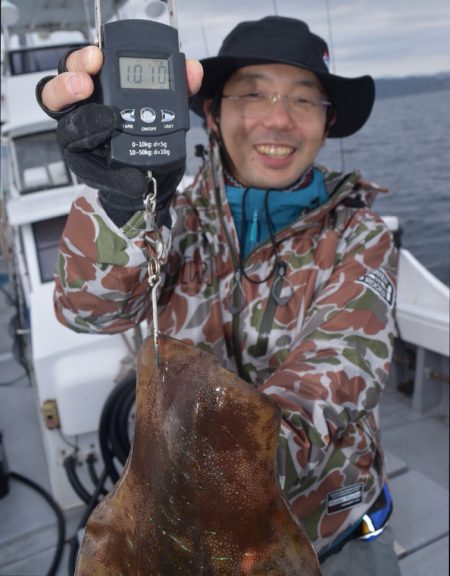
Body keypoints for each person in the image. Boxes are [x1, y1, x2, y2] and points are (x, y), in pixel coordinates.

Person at [36, 15, 401, 575]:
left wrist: (201, 487)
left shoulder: (362, 236)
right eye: (253, 94)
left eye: (305, 101)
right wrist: (120, 209)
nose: (278, 119)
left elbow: (336, 373)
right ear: (212, 111)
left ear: (326, 124)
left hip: (328, 538)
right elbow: (87, 312)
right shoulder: (169, 216)